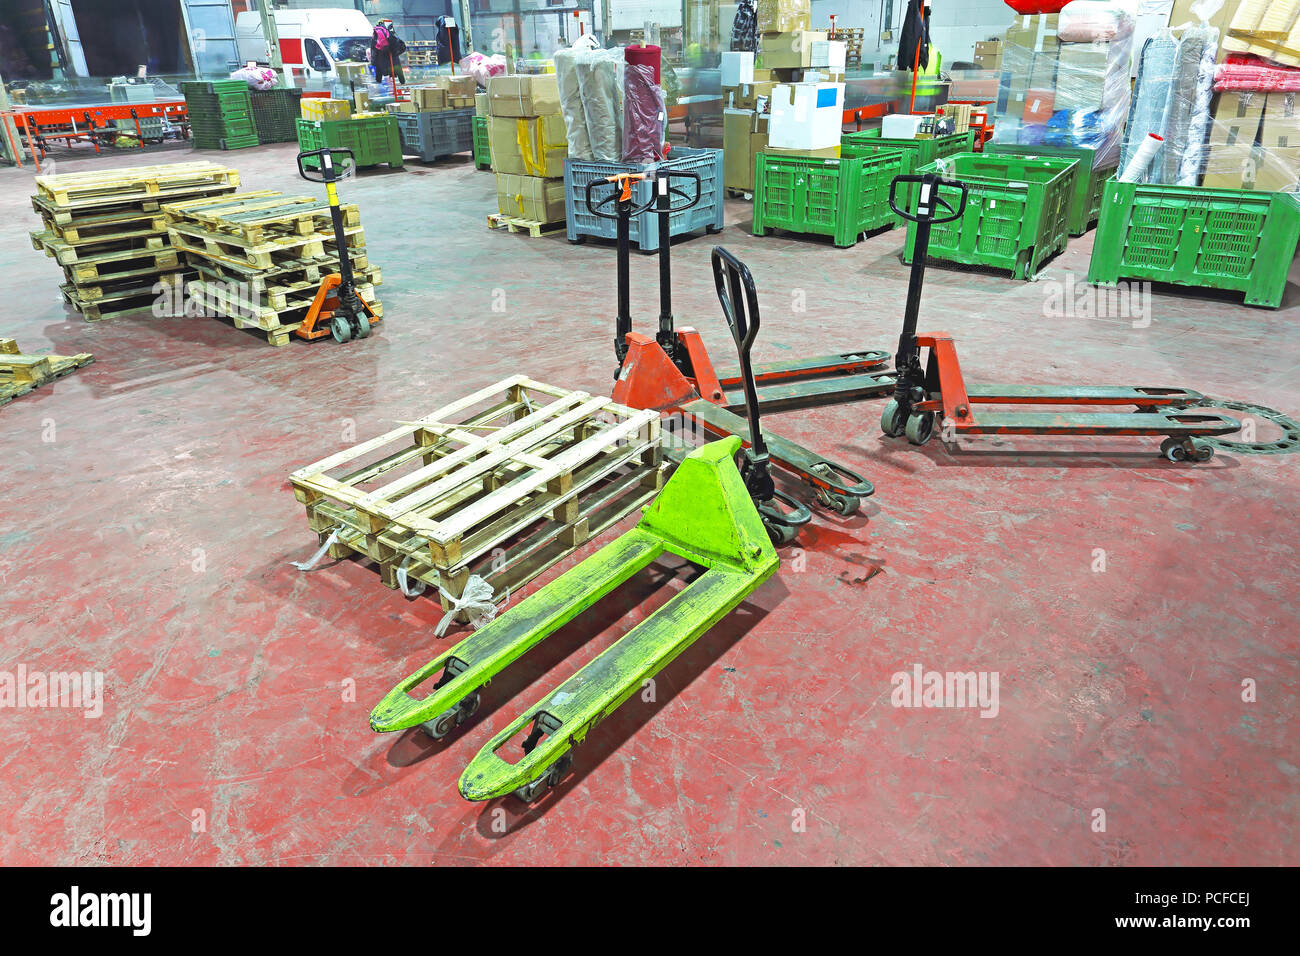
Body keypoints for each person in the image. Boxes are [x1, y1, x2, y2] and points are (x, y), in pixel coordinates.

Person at [370, 18, 407, 85]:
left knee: (379, 69)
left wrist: (373, 62)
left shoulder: (375, 33)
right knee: (398, 69)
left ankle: (378, 82)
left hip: (382, 63)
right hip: (393, 62)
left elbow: (373, 49)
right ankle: (402, 82)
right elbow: (399, 45)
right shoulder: (391, 33)